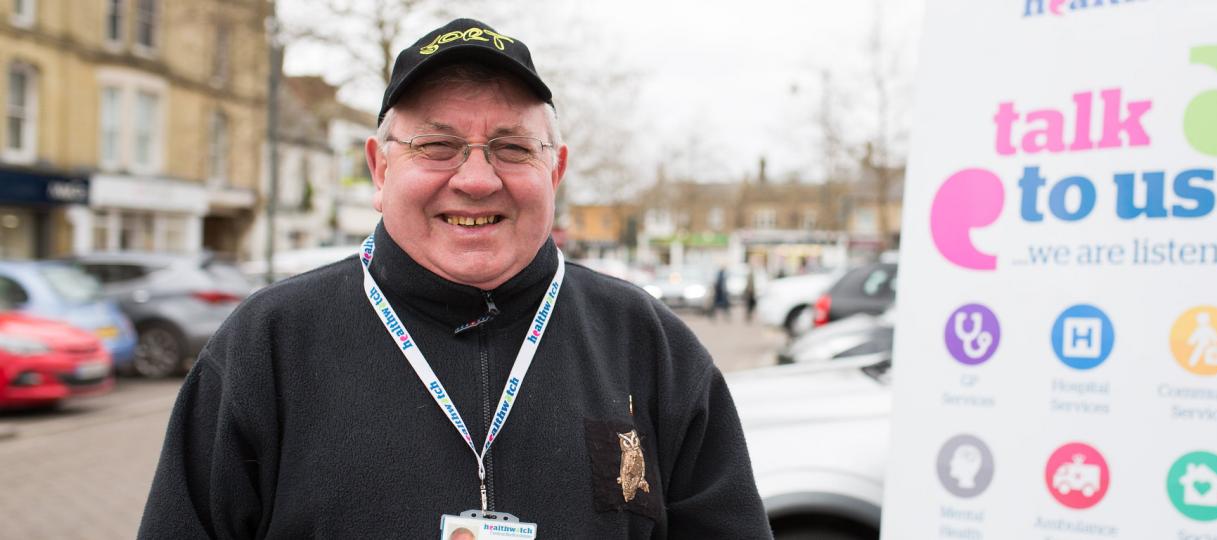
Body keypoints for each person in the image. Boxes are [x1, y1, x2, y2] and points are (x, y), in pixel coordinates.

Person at [138, 18, 770, 539]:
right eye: (437, 146)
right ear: (379, 168)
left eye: (513, 147)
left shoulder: (649, 344)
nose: (476, 179)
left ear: (556, 171)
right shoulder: (266, 345)